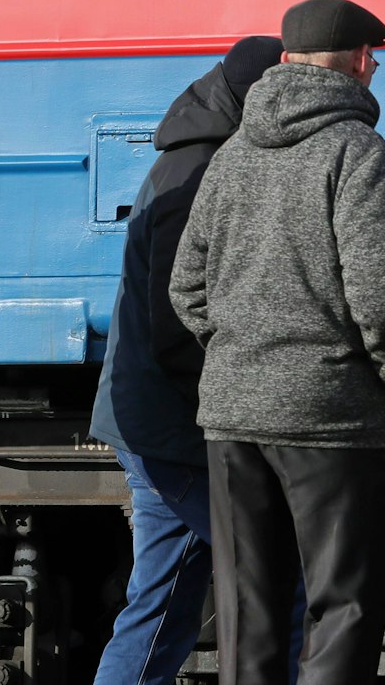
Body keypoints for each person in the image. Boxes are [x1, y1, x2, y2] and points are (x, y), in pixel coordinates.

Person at [170, 0, 385, 685]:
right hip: (329, 414)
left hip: (231, 416)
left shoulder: (230, 156)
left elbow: (186, 285)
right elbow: (384, 290)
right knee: (340, 609)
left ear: (286, 62)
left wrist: (237, 351)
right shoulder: (359, 152)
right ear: (361, 63)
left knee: (248, 613)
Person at [89, 36, 295, 685]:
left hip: (161, 422)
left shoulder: (201, 158)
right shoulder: (200, 173)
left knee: (166, 602)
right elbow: (177, 323)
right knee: (275, 581)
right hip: (174, 428)